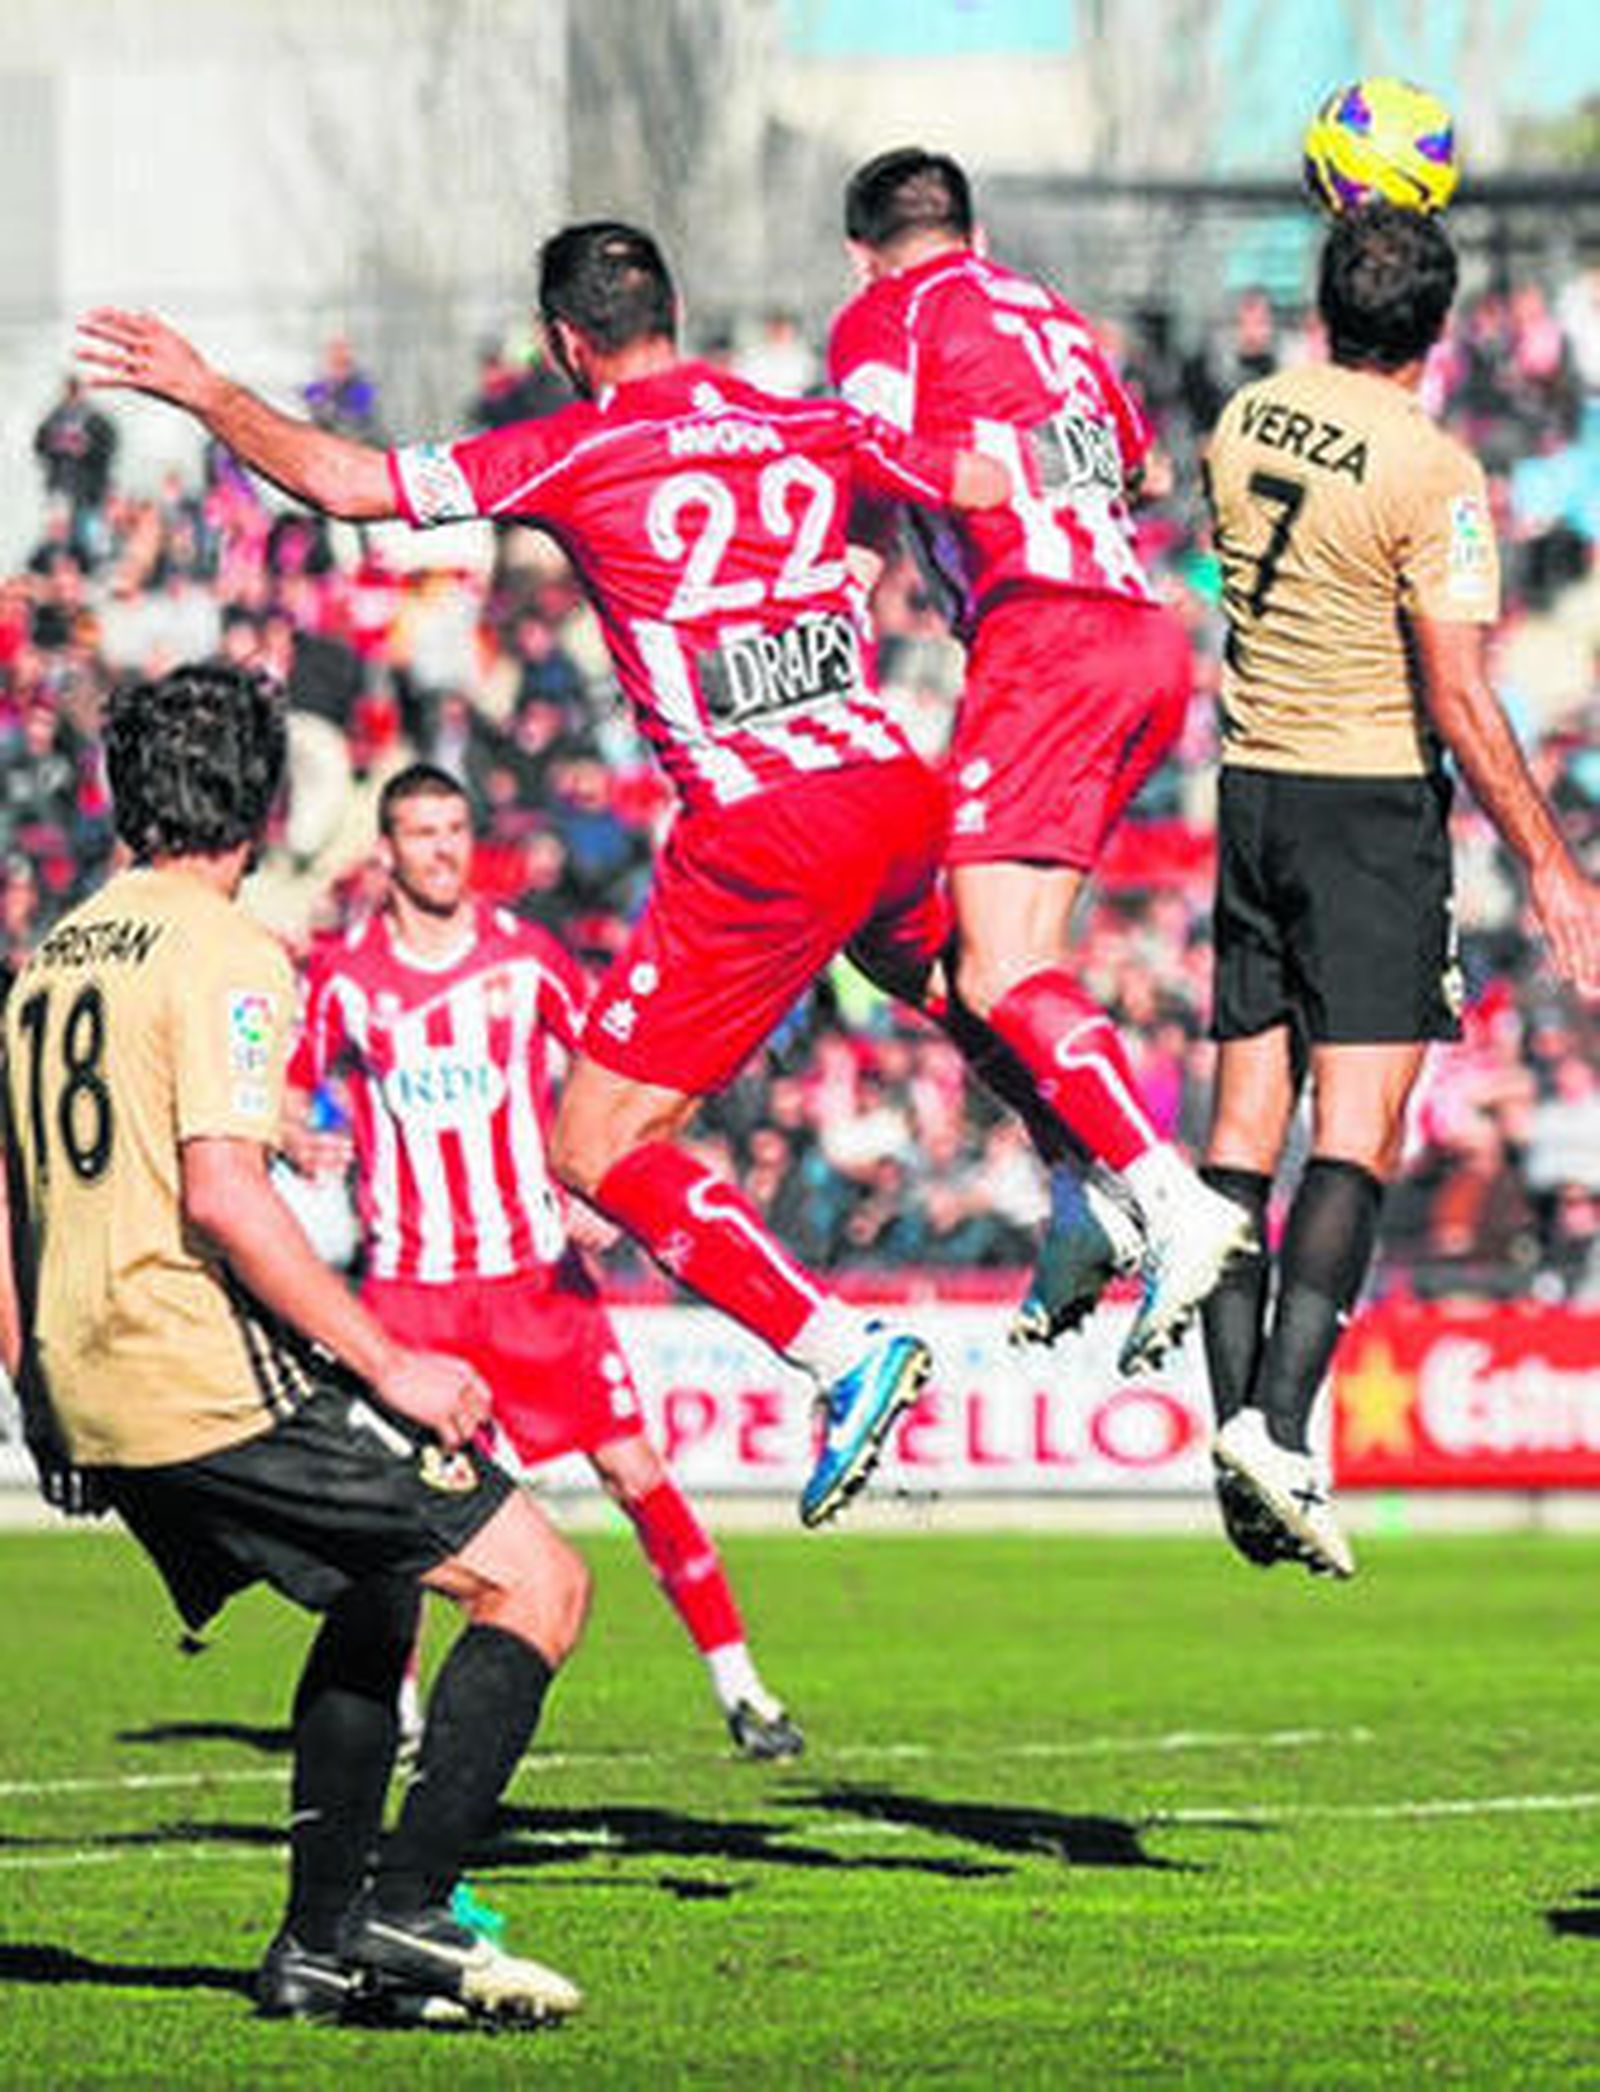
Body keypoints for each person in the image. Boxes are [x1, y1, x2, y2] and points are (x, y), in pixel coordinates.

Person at [77, 223, 1011, 1531]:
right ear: (674, 310)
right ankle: (1128, 1181)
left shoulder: (576, 444)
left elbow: (348, 483)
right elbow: (972, 471)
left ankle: (840, 1353)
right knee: (969, 986)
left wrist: (208, 389)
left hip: (761, 824)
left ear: (570, 345)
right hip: (891, 776)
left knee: (598, 1144)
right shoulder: (803, 420)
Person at [0, 662, 590, 2029]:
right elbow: (225, 1192)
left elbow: (12, 1194)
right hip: (201, 1370)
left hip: (90, 1386)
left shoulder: (46, 965)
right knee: (536, 1582)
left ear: (122, 796)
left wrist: (37, 1391)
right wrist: (394, 1363)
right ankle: (411, 1903)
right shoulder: (229, 953)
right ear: (265, 803)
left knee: (375, 1594)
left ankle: (316, 1951)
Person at [1200, 202, 1600, 1577]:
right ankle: (1281, 1428)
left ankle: (1234, 1430)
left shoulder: (1246, 416)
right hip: (1365, 802)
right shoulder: (1432, 471)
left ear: (1324, 308)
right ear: (1439, 332)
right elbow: (1455, 690)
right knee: (1356, 1129)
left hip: (1247, 791)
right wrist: (1552, 863)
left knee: (1243, 1129)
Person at [827, 147, 1254, 1375]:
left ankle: (1167, 1201)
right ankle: (1082, 1196)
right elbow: (1143, 466)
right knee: (988, 970)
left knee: (994, 965)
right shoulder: (1049, 317)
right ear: (969, 225)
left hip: (1044, 636)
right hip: (1143, 636)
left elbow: (867, 445)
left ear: (863, 248)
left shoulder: (885, 314)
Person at [287, 760, 802, 1759]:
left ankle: (741, 1686)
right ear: (385, 850)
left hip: (535, 1279)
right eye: (421, 832)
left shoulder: (528, 959)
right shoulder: (345, 978)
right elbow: (290, 1087)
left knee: (635, 1469)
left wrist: (608, 1179)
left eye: (454, 828)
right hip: (413, 1288)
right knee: (409, 1510)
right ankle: (398, 1715)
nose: (442, 849)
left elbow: (619, 1071)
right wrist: (300, 1134)